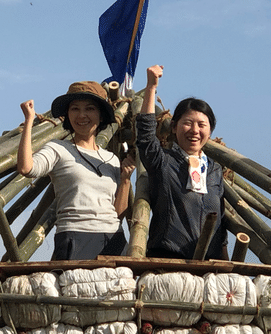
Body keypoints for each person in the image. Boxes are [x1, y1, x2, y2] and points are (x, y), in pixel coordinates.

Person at [16, 82, 135, 260]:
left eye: (89, 109)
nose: (81, 115)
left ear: (101, 115)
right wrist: (29, 121)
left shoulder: (112, 159)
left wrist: (125, 179)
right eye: (75, 109)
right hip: (75, 236)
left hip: (114, 238)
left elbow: (117, 213)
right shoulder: (58, 149)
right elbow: (27, 167)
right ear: (68, 114)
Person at [136, 65, 228, 260]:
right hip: (167, 260)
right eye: (188, 123)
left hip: (209, 265)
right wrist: (151, 87)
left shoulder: (214, 170)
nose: (195, 130)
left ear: (209, 132)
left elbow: (221, 221)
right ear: (174, 127)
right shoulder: (162, 161)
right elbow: (145, 136)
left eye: (202, 125)